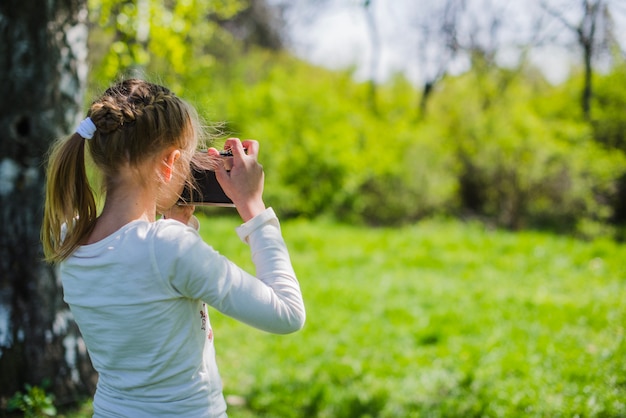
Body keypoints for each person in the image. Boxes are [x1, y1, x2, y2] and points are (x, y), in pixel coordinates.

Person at [41, 79, 305, 417]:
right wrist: (253, 206)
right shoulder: (167, 248)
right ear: (169, 164)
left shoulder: (72, 237)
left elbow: (145, 304)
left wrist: (177, 225)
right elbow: (287, 314)